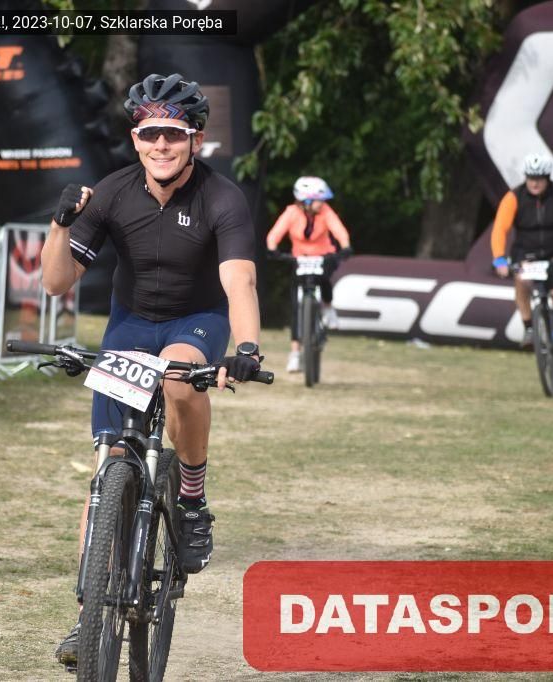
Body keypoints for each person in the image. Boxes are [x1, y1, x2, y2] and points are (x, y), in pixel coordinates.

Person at [40, 73, 262, 667]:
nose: (161, 145)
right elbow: (56, 282)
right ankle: (88, 615)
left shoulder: (221, 197)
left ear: (195, 140)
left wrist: (246, 346)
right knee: (108, 465)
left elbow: (239, 281)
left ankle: (191, 497)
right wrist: (61, 225)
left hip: (197, 321)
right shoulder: (113, 192)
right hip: (130, 326)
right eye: (149, 134)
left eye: (173, 134)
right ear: (135, 139)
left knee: (177, 375)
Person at [491, 153, 553, 377]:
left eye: (539, 179)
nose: (534, 183)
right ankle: (529, 328)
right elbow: (500, 229)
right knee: (522, 280)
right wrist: (499, 258)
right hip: (527, 253)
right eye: (531, 178)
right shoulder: (514, 197)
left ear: (547, 178)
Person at [266, 176, 352, 373]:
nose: (322, 203)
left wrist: (346, 246)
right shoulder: (291, 212)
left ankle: (328, 308)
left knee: (325, 279)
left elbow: (340, 231)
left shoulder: (326, 212)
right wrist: (272, 249)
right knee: (296, 306)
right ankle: (295, 353)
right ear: (306, 200)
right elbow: (274, 235)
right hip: (300, 259)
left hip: (323, 255)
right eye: (318, 200)